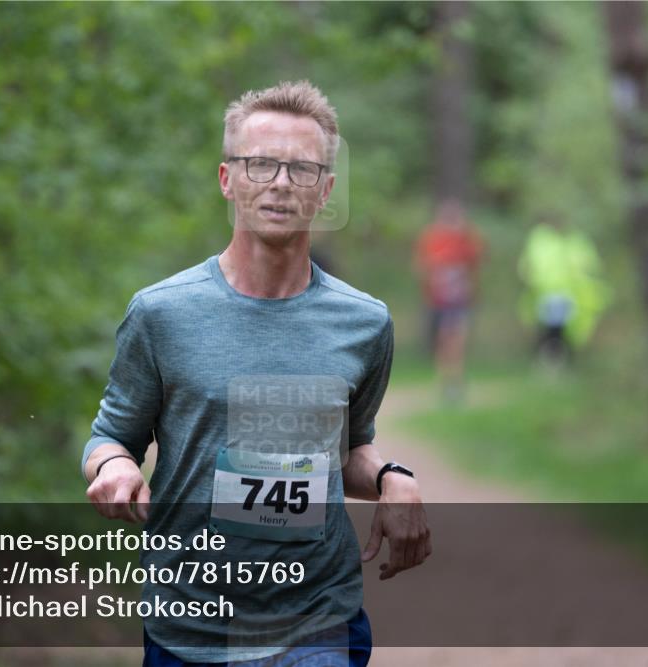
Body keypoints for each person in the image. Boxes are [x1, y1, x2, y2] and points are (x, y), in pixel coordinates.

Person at [81, 81, 431, 666]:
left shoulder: (364, 323)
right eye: (261, 164)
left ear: (325, 190)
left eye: (302, 169)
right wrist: (114, 467)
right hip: (189, 618)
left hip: (316, 616)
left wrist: (394, 478)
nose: (280, 183)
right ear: (228, 179)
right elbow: (110, 436)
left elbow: (346, 450)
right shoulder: (161, 314)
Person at [412, 199, 483, 402]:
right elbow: (421, 266)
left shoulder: (466, 239)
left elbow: (476, 263)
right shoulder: (431, 239)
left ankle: (455, 380)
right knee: (443, 341)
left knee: (457, 339)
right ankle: (445, 381)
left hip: (459, 300)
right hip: (438, 300)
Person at [517, 216, 608, 366]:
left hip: (570, 293)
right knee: (552, 327)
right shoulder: (543, 241)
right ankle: (552, 357)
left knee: (564, 328)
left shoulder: (573, 242)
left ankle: (557, 358)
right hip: (548, 291)